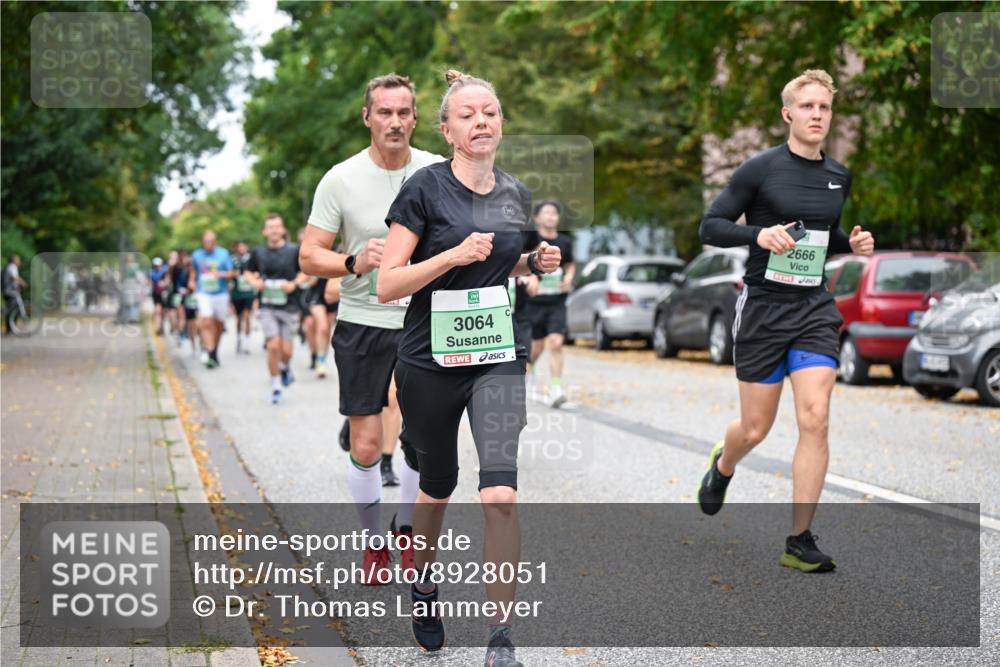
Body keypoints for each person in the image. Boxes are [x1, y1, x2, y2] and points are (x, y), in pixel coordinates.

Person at [378, 69, 562, 667]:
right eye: (468, 115)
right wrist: (451, 255)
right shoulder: (424, 189)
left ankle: (501, 637)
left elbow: (503, 264)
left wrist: (535, 260)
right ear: (447, 131)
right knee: (437, 486)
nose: (481, 121)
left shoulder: (515, 193)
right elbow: (387, 284)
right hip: (429, 361)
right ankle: (423, 584)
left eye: (490, 112)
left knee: (501, 493)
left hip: (497, 357)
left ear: (501, 123)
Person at [696, 69, 875, 573]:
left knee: (815, 416)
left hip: (813, 307)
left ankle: (799, 539)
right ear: (788, 113)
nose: (817, 115)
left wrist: (850, 243)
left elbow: (821, 235)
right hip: (763, 308)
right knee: (755, 428)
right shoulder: (760, 169)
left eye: (825, 107)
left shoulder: (838, 174)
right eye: (808, 106)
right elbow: (710, 226)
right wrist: (758, 235)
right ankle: (724, 464)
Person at [300, 73, 446, 583]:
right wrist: (354, 261)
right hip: (363, 321)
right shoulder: (340, 178)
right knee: (365, 445)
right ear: (367, 117)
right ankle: (373, 543)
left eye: (404, 112)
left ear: (415, 117)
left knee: (420, 438)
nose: (395, 122)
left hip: (423, 320)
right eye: (384, 112)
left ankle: (405, 530)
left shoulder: (437, 171)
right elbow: (309, 256)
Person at [245, 214, 306, 404]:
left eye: (277, 226)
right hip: (267, 305)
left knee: (286, 351)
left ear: (283, 229)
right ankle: (276, 385)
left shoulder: (294, 250)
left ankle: (284, 366)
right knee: (273, 345)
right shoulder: (258, 252)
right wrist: (256, 283)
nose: (273, 230)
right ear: (265, 231)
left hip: (289, 305)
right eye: (270, 227)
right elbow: (247, 272)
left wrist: (294, 284)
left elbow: (306, 271)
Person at [523, 199, 575, 407]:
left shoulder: (565, 242)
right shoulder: (531, 239)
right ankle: (530, 374)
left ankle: (556, 388)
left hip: (556, 302)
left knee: (556, 342)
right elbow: (521, 263)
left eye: (554, 213)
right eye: (546, 212)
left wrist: (569, 277)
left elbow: (570, 265)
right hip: (534, 302)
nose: (551, 216)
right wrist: (531, 276)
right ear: (537, 217)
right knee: (536, 347)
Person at [189, 230, 234, 369]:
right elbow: (193, 271)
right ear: (202, 242)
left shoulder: (224, 254)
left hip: (221, 293)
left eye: (211, 241)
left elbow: (231, 273)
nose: (208, 243)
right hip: (204, 293)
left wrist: (221, 274)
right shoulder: (197, 255)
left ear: (215, 241)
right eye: (206, 241)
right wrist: (191, 281)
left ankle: (214, 351)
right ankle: (210, 350)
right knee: (206, 321)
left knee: (219, 325)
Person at [231, 240, 256, 355]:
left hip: (249, 293)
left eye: (243, 247)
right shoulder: (233, 259)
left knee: (247, 317)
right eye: (239, 247)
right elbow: (228, 272)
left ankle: (247, 342)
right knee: (238, 318)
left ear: (247, 247)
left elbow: (257, 271)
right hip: (237, 293)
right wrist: (233, 274)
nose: (241, 249)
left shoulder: (251, 259)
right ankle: (238, 338)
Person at [2, 254, 27, 334]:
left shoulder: (10, 267)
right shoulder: (12, 267)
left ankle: (11, 329)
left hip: (9, 292)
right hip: (10, 293)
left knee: (13, 310)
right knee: (13, 310)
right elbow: (15, 277)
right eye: (18, 259)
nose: (19, 261)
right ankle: (10, 329)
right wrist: (23, 283)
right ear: (14, 260)